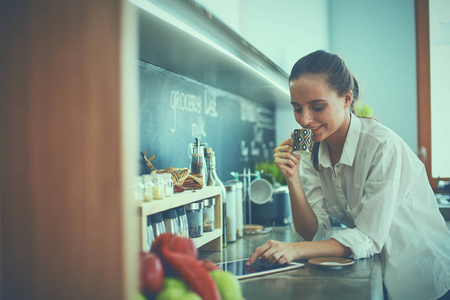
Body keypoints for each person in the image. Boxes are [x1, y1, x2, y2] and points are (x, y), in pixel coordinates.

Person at [246, 50, 450, 300]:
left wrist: (294, 250)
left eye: (317, 107)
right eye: (297, 108)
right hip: (380, 272)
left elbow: (368, 236)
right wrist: (292, 177)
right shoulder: (312, 151)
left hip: (426, 276)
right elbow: (315, 234)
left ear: (346, 99)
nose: (305, 120)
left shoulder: (381, 146)